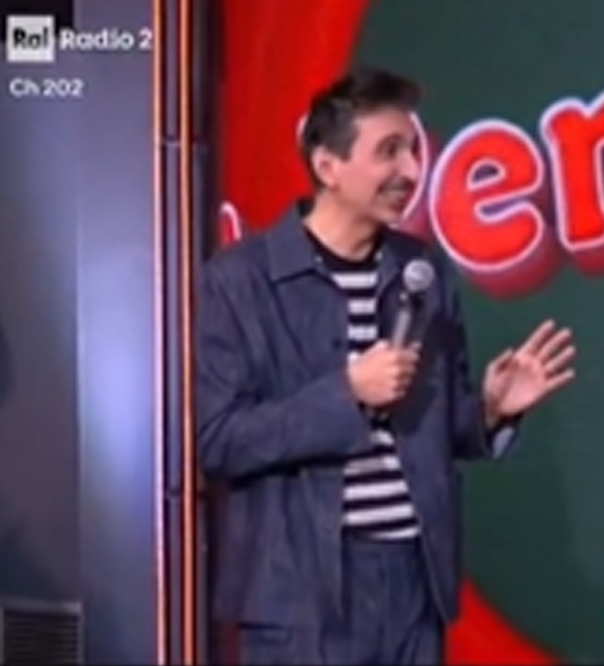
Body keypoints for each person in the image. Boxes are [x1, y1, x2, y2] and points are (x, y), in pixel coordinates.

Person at [195, 67, 576, 665]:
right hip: (300, 597)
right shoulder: (241, 280)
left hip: (413, 585)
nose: (413, 171)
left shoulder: (421, 272)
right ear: (328, 166)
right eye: (389, 151)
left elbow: (438, 433)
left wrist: (491, 410)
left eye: (414, 151)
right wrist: (345, 393)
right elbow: (219, 440)